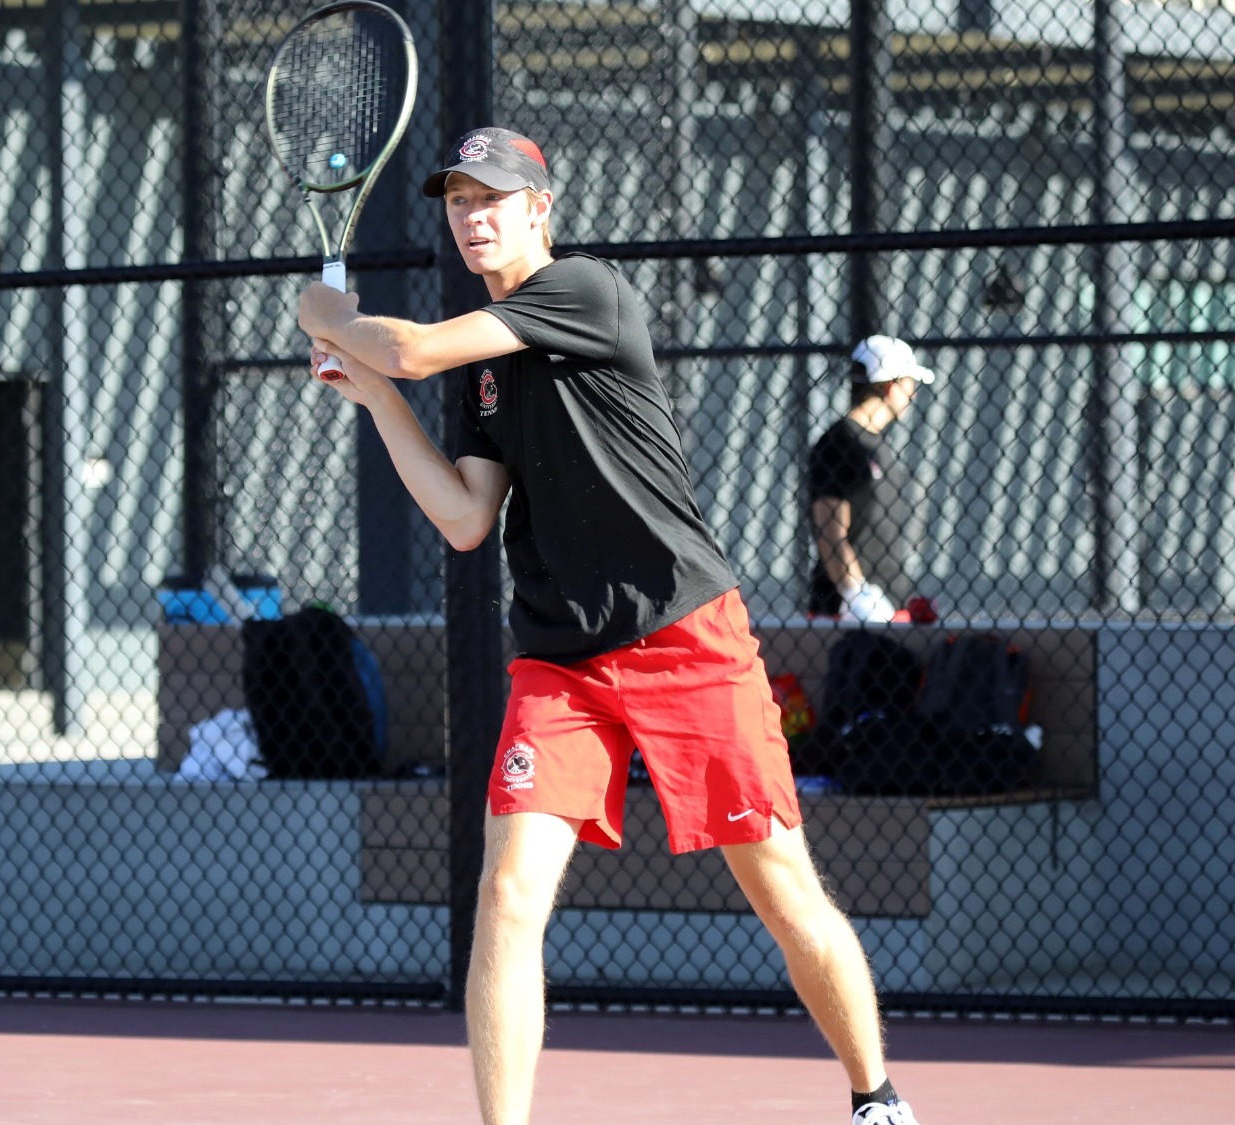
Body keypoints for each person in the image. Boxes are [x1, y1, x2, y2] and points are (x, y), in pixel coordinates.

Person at [296, 127, 923, 1125]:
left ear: (539, 210)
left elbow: (409, 346)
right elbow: (463, 518)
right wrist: (372, 392)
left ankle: (874, 1096)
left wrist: (325, 311)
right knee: (504, 898)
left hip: (686, 636)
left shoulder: (584, 289)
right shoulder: (484, 369)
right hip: (560, 664)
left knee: (781, 892)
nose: (472, 216)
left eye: (491, 198)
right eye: (457, 201)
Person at [807, 335, 936, 622]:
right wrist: (857, 596)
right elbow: (830, 532)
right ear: (891, 386)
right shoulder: (838, 443)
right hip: (847, 614)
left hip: (889, 609)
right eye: (909, 384)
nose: (913, 394)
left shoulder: (878, 446)